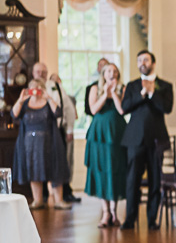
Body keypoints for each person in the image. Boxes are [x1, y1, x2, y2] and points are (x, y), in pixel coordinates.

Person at [120, 49, 174, 231]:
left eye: (146, 60)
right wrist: (142, 94)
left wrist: (152, 94)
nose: (143, 63)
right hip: (134, 139)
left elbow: (167, 108)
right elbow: (125, 107)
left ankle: (152, 219)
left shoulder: (165, 86)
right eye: (140, 60)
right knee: (132, 180)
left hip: (157, 139)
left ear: (153, 63)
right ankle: (130, 218)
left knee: (155, 180)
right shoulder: (132, 85)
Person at [11, 79, 70, 209]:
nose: (35, 91)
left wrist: (48, 98)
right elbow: (14, 115)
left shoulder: (48, 103)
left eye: (38, 88)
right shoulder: (25, 104)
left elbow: (58, 113)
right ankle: (37, 200)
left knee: (54, 168)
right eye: (33, 88)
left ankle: (58, 200)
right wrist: (21, 100)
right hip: (29, 145)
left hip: (49, 143)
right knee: (33, 170)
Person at [84, 63, 127, 228]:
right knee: (102, 170)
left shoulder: (122, 89)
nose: (112, 73)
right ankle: (105, 212)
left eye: (115, 71)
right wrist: (105, 93)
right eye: (109, 71)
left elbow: (122, 110)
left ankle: (115, 212)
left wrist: (114, 93)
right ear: (103, 74)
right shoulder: (95, 88)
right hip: (99, 135)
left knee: (115, 169)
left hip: (117, 134)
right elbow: (93, 109)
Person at [33, 63, 78, 203]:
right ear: (33, 73)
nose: (40, 74)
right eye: (38, 71)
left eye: (43, 71)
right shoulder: (30, 88)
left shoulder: (55, 86)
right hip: (38, 133)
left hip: (56, 131)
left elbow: (68, 109)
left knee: (60, 162)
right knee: (40, 163)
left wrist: (69, 129)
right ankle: (42, 196)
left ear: (47, 73)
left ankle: (64, 193)